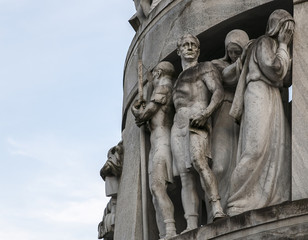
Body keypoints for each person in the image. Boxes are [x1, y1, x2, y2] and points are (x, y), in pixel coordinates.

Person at [227, 9, 294, 216]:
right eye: (286, 28)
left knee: (277, 147)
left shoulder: (276, 46)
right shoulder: (264, 42)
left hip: (272, 95)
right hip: (258, 93)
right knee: (255, 148)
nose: (288, 33)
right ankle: (237, 200)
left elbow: (287, 78)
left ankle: (270, 197)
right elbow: (275, 69)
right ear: (277, 27)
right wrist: (283, 44)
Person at [171, 34, 226, 233]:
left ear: (198, 50)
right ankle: (191, 224)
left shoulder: (204, 67)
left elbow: (218, 92)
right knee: (185, 176)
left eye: (193, 45)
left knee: (199, 162)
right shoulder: (177, 79)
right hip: (178, 125)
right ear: (179, 51)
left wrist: (206, 114)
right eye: (185, 45)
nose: (190, 48)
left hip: (197, 117)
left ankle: (217, 207)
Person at [131, 61, 177, 240]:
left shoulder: (164, 87)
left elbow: (146, 113)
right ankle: (165, 232)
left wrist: (137, 111)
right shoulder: (164, 88)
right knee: (155, 190)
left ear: (158, 73)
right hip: (157, 143)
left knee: (158, 188)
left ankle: (170, 229)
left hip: (162, 143)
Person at [210, 30, 250, 217]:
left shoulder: (248, 64)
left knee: (237, 164)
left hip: (242, 115)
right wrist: (244, 60)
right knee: (219, 165)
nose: (234, 55)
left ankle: (233, 206)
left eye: (238, 51)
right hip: (223, 114)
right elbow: (225, 76)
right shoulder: (216, 65)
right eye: (231, 51)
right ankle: (215, 210)